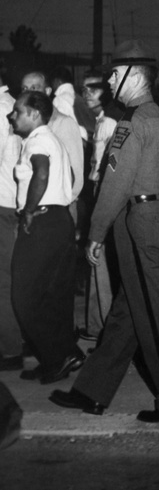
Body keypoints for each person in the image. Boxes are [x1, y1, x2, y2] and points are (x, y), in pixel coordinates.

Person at [50, 40, 159, 422]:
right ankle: (92, 392)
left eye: (114, 75)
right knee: (128, 312)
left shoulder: (131, 125)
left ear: (134, 77)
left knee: (158, 314)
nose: (110, 82)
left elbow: (114, 186)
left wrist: (95, 234)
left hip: (139, 224)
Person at [8, 90, 79, 384]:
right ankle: (65, 353)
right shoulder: (53, 139)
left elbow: (41, 173)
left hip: (42, 222)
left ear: (34, 114)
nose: (12, 116)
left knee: (23, 297)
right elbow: (70, 177)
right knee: (53, 295)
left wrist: (28, 211)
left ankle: (56, 357)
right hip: (59, 220)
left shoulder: (38, 141)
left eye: (18, 111)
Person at [80, 75, 119, 340]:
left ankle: (101, 327)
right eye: (84, 88)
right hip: (98, 190)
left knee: (99, 257)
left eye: (93, 88)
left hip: (103, 191)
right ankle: (98, 325)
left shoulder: (109, 121)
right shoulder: (100, 120)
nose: (87, 93)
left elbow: (107, 166)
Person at [21, 72, 85, 221]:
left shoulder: (63, 122)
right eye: (24, 88)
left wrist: (62, 208)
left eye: (34, 88)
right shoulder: (23, 124)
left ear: (48, 91)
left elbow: (76, 175)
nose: (29, 93)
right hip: (31, 208)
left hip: (57, 211)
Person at [0, 76, 22, 372]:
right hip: (9, 202)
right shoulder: (10, 104)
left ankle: (10, 349)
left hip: (2, 204)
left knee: (4, 282)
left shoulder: (2, 108)